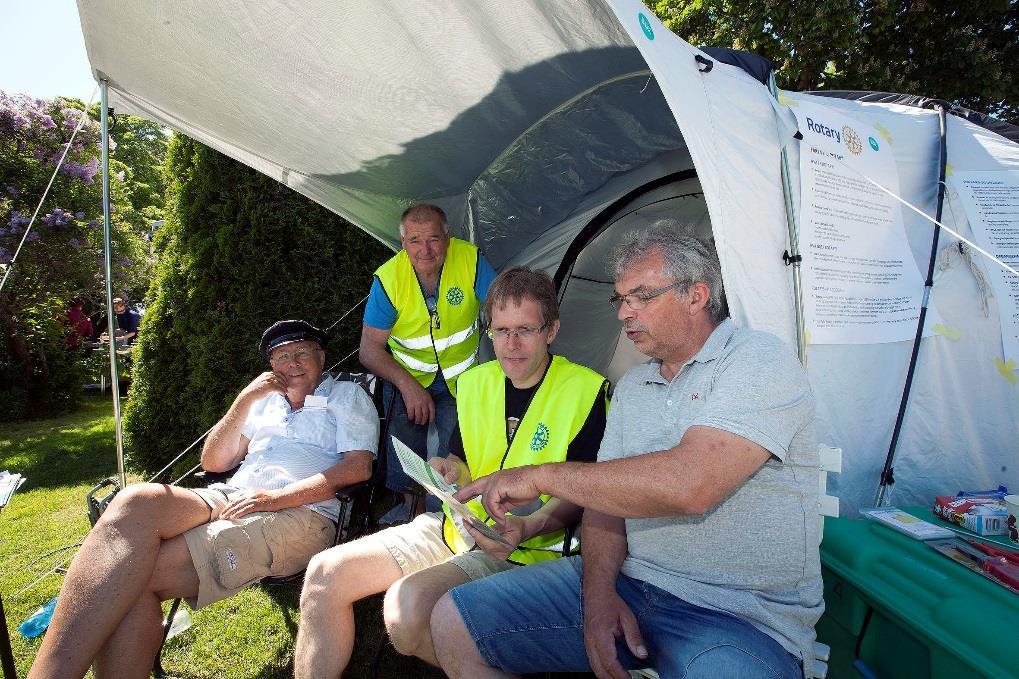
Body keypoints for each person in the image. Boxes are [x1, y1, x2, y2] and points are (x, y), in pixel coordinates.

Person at [430, 227, 823, 679]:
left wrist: (541, 476)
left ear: (696, 295)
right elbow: (605, 506)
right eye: (620, 300)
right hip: (632, 585)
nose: (625, 314)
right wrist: (599, 600)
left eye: (641, 297)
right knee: (453, 621)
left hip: (738, 615)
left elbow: (691, 486)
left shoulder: (759, 362)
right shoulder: (636, 386)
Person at [295, 267, 608, 678]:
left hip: (525, 552)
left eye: (525, 330)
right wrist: (448, 469)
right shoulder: (476, 382)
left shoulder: (585, 390)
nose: (511, 345)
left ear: (551, 331)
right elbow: (463, 459)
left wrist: (527, 528)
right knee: (324, 574)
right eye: (500, 331)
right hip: (457, 527)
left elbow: (584, 495)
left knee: (405, 617)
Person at [28, 320, 379, 679]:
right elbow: (213, 462)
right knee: (136, 500)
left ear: (321, 356)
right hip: (234, 497)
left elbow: (357, 468)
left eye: (301, 352)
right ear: (271, 367)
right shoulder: (265, 403)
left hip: (301, 513)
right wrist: (245, 400)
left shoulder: (347, 396)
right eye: (281, 356)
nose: (292, 362)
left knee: (132, 578)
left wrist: (274, 498)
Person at [359, 203, 497, 520]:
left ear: (448, 237)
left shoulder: (470, 260)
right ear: (403, 243)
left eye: (434, 238)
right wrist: (408, 386)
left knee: (454, 456)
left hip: (461, 381)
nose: (425, 250)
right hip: (407, 378)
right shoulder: (389, 279)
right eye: (415, 241)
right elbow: (369, 350)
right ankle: (412, 513)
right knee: (405, 456)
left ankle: (443, 522)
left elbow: (501, 307)